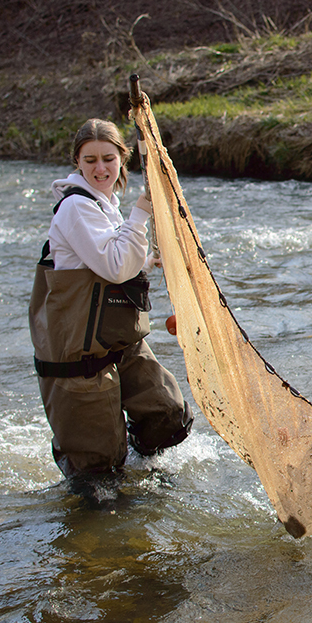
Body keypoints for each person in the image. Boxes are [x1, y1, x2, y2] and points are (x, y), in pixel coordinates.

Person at [29, 118, 193, 483]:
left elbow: (106, 257)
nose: (100, 168)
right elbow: (116, 267)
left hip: (115, 340)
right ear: (77, 162)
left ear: (123, 158)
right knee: (98, 473)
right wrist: (141, 213)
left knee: (168, 418)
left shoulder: (105, 203)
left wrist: (148, 259)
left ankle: (143, 478)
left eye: (107, 158)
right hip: (78, 353)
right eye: (90, 161)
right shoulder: (76, 207)